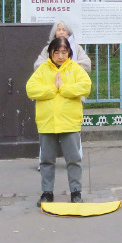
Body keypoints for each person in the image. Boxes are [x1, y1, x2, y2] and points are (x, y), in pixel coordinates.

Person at [26, 36, 92, 206]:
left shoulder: (75, 69)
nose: (61, 56)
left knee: (74, 160)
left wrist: (63, 88)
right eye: (57, 52)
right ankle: (47, 193)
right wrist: (51, 89)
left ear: (69, 52)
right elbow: (31, 90)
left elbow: (85, 87)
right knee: (47, 160)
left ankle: (76, 193)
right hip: (47, 123)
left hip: (69, 122)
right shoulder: (42, 70)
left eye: (64, 52)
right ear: (51, 53)